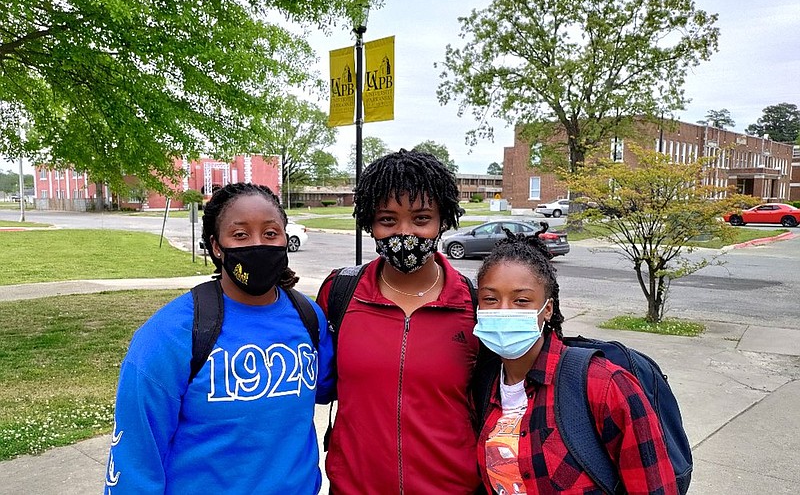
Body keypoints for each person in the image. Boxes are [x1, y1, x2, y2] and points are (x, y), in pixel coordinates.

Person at [105, 182, 334, 494]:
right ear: (216, 246)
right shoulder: (171, 333)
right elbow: (136, 459)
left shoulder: (308, 316)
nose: (259, 245)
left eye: (270, 233)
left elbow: (328, 388)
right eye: (240, 235)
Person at [316, 148, 483, 494]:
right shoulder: (339, 292)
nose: (404, 232)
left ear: (443, 221)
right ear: (369, 223)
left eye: (421, 218)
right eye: (388, 220)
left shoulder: (475, 303)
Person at [471, 228, 678, 494]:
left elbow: (653, 486)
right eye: (490, 299)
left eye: (521, 300)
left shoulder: (603, 385)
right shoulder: (483, 383)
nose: (503, 310)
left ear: (547, 308)